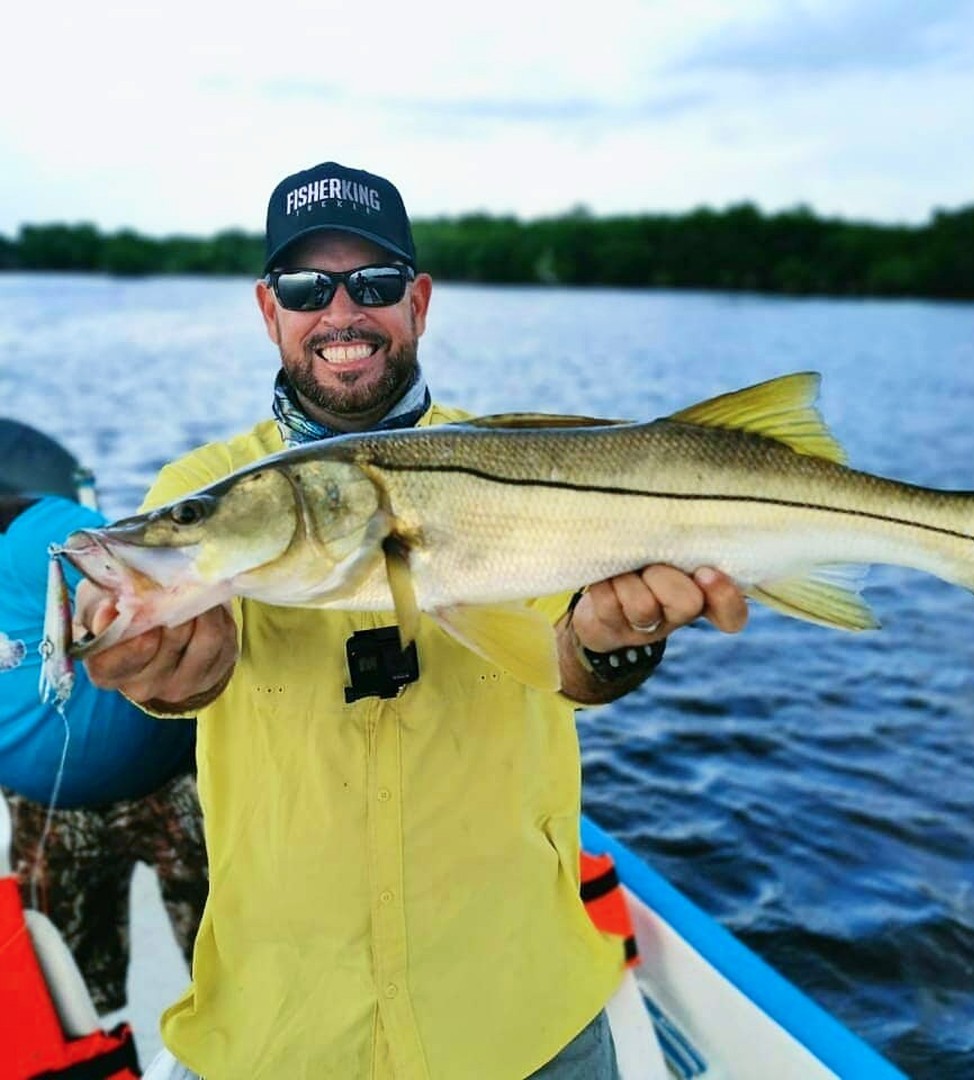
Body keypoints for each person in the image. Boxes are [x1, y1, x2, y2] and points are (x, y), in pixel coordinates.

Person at [75, 161, 749, 1079]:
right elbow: (192, 673)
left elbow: (574, 665)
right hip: (280, 1029)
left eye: (376, 283)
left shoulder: (524, 463)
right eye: (309, 288)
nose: (341, 312)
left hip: (518, 1020)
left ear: (420, 302)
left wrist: (615, 640)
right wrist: (166, 672)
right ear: (270, 311)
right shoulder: (195, 493)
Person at [0, 422, 208, 1022]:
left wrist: (100, 607)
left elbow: (100, 561)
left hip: (174, 787)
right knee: (71, 1009)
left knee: (237, 977)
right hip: (45, 815)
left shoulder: (26, 528)